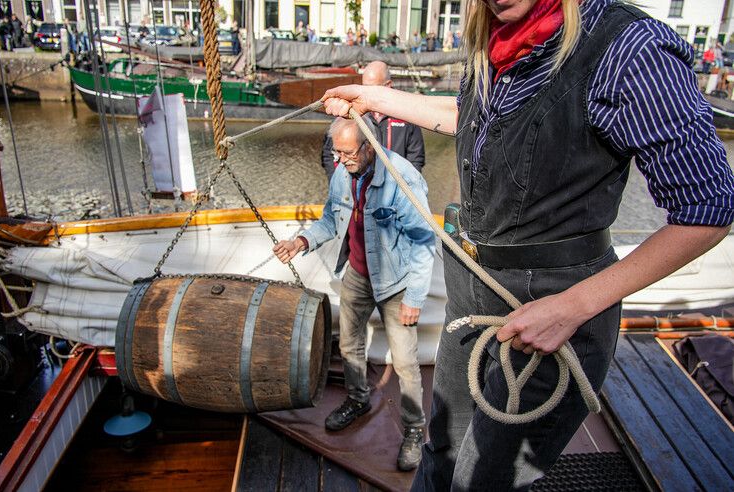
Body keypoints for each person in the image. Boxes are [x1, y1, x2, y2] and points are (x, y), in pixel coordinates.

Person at [321, 0, 734, 490]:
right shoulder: (492, 40)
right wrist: (378, 101)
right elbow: (475, 119)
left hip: (553, 306)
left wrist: (572, 307)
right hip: (472, 292)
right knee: (442, 450)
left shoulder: (629, 49)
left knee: (481, 479)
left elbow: (709, 210)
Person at [273, 117, 435, 472]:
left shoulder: (403, 178)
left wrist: (415, 298)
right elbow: (331, 219)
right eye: (336, 151)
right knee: (348, 343)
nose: (339, 159)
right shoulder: (342, 172)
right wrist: (301, 241)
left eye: (346, 152)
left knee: (406, 363)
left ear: (368, 146)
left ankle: (413, 429)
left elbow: (425, 242)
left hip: (397, 283)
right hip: (359, 273)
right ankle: (358, 398)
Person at [321, 61, 425, 180]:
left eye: (372, 88)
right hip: (357, 188)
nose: (366, 93)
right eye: (364, 87)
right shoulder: (352, 113)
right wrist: (337, 181)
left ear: (388, 85)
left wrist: (408, 185)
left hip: (393, 188)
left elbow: (416, 158)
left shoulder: (405, 116)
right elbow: (329, 154)